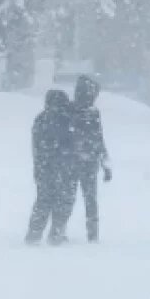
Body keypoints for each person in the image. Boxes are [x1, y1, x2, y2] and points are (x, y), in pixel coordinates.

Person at [58, 74, 112, 243]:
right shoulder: (78, 111)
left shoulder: (85, 111)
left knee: (73, 198)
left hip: (76, 163)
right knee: (83, 199)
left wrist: (105, 162)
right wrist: (105, 162)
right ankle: (88, 234)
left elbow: (98, 138)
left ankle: (62, 230)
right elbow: (98, 139)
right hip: (81, 163)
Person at [26, 89, 75, 245]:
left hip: (43, 169)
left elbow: (38, 146)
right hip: (62, 169)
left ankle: (34, 234)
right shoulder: (65, 120)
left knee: (43, 201)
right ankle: (56, 234)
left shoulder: (41, 119)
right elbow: (68, 144)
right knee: (63, 202)